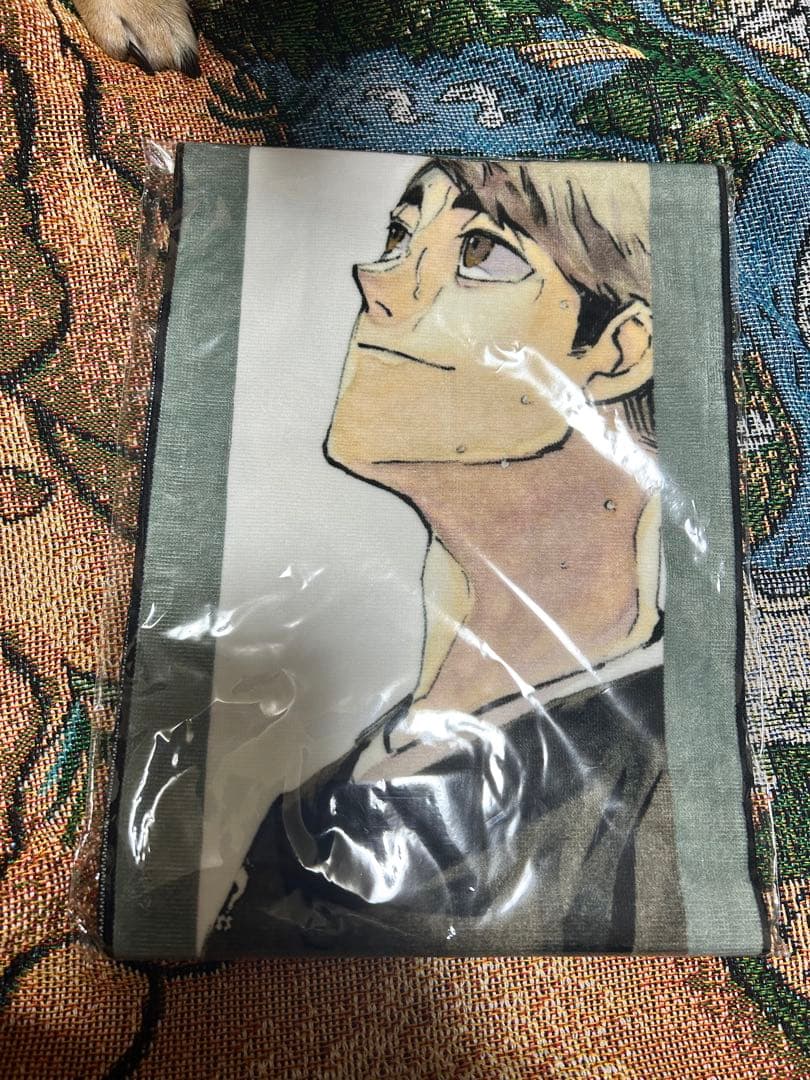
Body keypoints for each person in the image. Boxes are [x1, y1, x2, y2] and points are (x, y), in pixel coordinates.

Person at [206, 158, 686, 955]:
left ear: (620, 347)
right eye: (400, 235)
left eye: (482, 253)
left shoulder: (664, 790)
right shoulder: (325, 793)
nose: (376, 277)